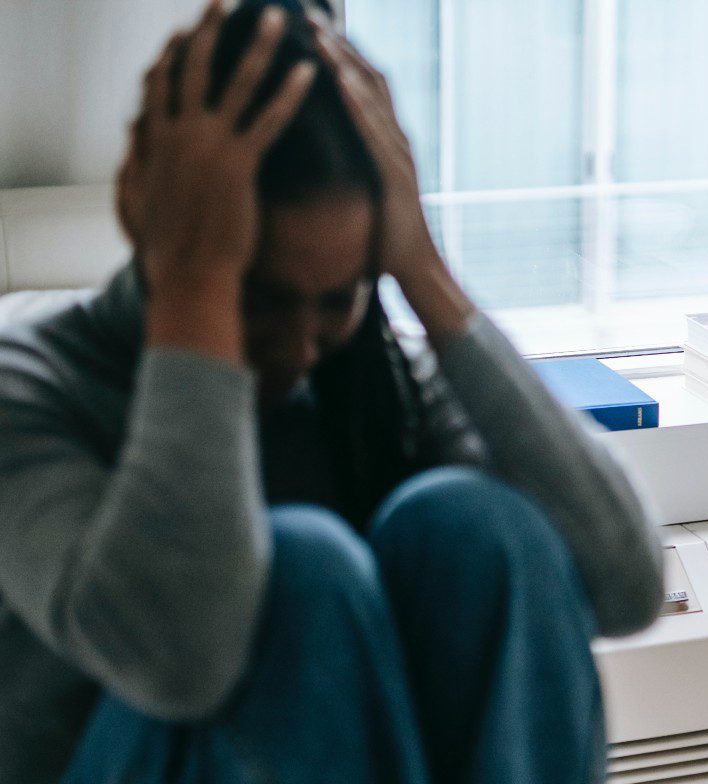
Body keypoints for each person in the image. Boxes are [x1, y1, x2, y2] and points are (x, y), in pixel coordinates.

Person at [0, 1, 663, 782]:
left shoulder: (375, 379)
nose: (298, 350)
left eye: (336, 299)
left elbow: (627, 589)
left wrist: (426, 276)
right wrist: (197, 288)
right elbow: (178, 660)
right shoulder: (31, 386)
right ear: (142, 212)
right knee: (302, 570)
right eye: (258, 299)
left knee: (477, 525)